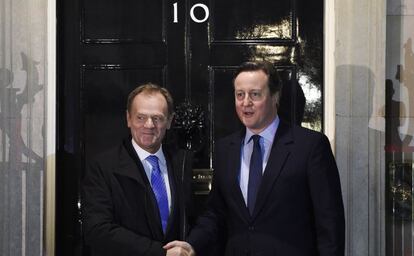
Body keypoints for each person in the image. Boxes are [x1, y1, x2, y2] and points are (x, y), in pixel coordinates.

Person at [165, 61, 345, 256]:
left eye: (255, 94)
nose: (246, 102)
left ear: (275, 96)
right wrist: (192, 244)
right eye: (240, 94)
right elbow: (216, 213)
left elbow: (329, 222)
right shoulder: (225, 149)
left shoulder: (310, 146)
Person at [82, 83, 193, 256]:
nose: (149, 125)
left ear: (170, 121)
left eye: (157, 118)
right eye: (140, 117)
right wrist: (159, 253)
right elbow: (97, 230)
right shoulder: (103, 167)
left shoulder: (183, 163)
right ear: (128, 118)